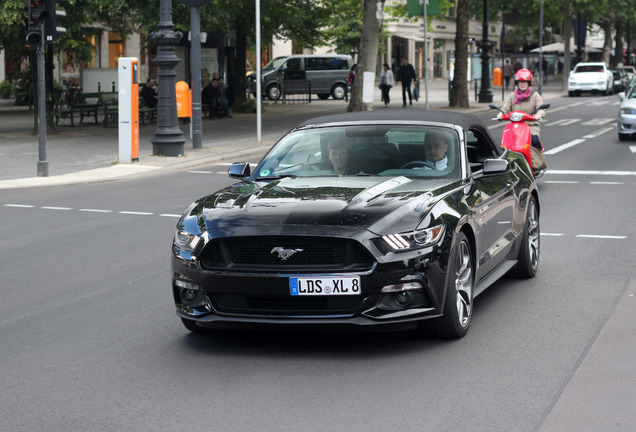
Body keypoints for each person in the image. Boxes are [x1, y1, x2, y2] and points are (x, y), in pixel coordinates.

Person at [497, 68, 547, 171]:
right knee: (506, 144)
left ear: (529, 83)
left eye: (525, 82)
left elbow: (541, 108)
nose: (522, 84)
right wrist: (500, 114)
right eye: (520, 82)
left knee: (534, 141)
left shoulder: (535, 95)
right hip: (514, 127)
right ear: (517, 83)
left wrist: (539, 114)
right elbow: (505, 108)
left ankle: (537, 162)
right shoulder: (512, 95)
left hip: (530, 125)